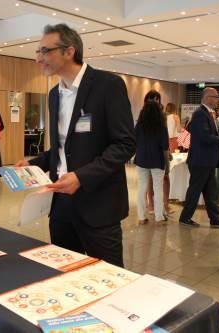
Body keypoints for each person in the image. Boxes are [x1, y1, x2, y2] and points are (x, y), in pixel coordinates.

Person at [16, 24, 135, 267]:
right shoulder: (53, 95)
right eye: (37, 51)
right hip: (61, 205)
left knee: (108, 280)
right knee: (65, 274)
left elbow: (125, 144)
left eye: (45, 51)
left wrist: (81, 177)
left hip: (98, 205)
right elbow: (61, 149)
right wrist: (32, 164)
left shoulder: (107, 85)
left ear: (69, 51)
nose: (39, 58)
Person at [178, 87, 219, 228]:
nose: (217, 100)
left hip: (207, 160)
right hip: (200, 160)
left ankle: (215, 220)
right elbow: (204, 137)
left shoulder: (208, 114)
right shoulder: (200, 114)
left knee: (210, 192)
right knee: (195, 190)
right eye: (215, 97)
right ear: (206, 97)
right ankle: (185, 218)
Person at [135, 101, 169, 224]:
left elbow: (134, 141)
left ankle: (141, 217)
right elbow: (165, 146)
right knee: (158, 188)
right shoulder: (161, 126)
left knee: (141, 187)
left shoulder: (139, 125)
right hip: (157, 160)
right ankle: (159, 217)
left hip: (141, 159)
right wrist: (167, 164)